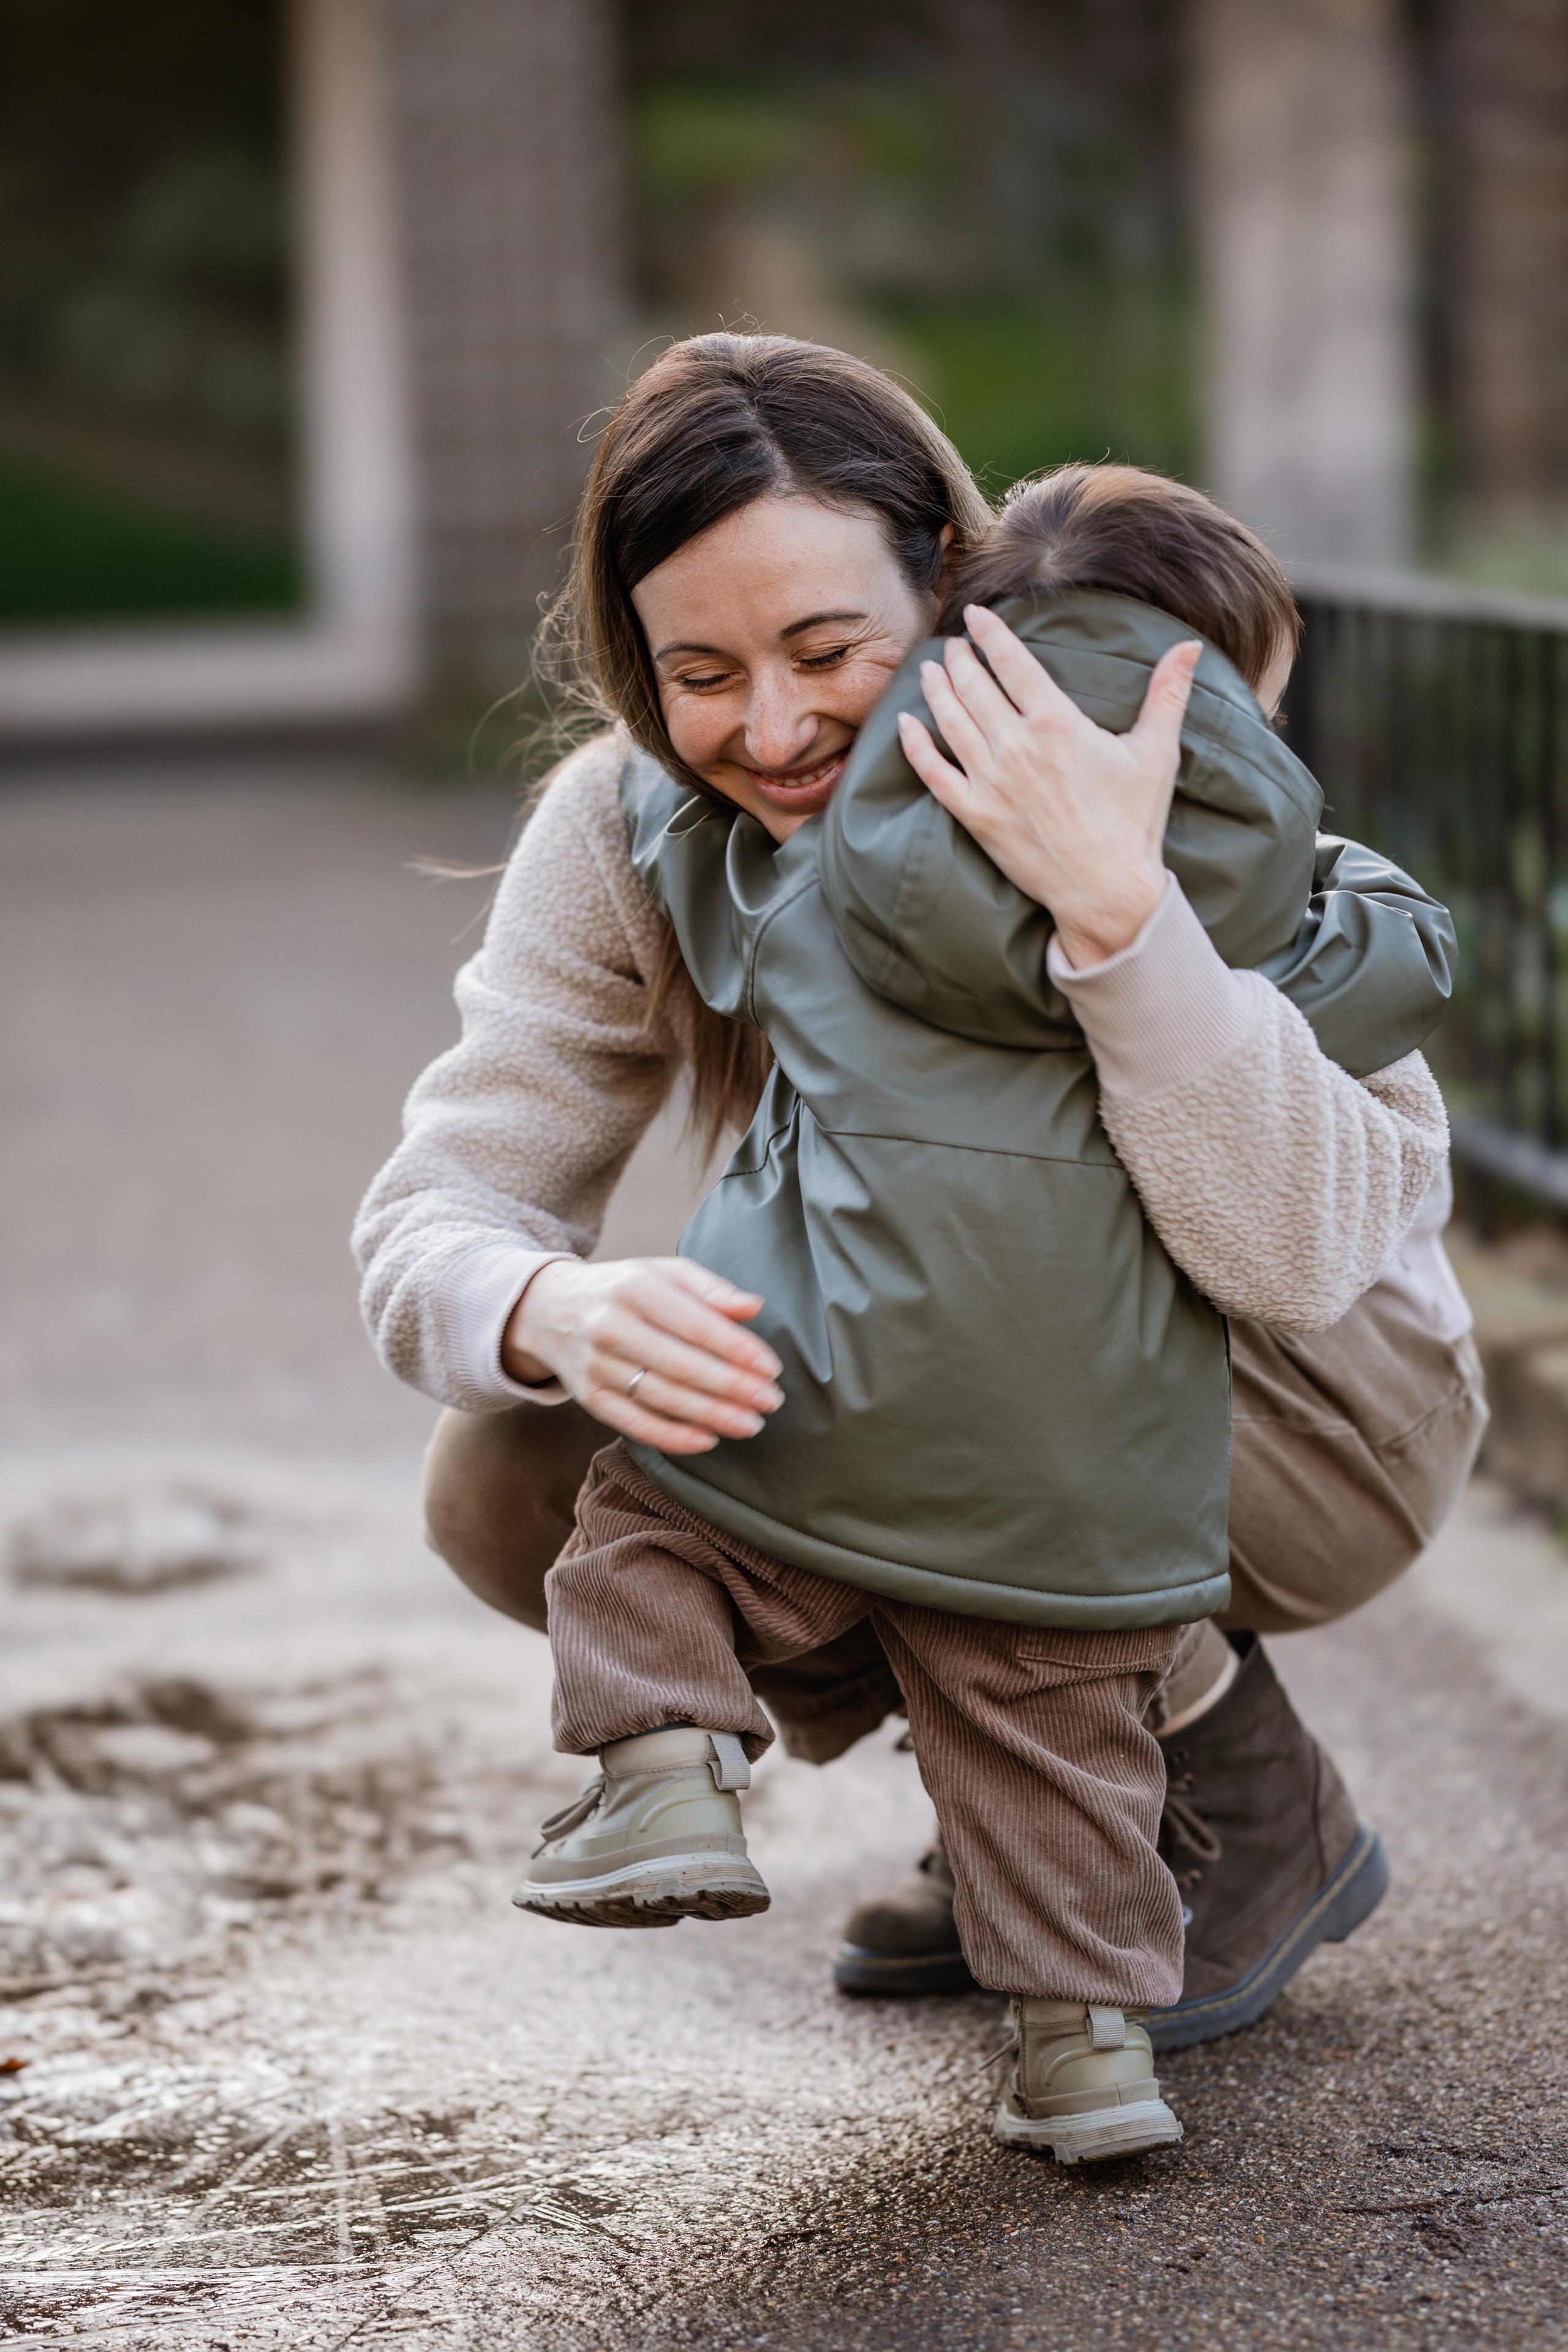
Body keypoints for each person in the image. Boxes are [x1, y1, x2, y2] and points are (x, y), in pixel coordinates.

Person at [354, 336, 1485, 2078]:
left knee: (957, 1362)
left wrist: (1121, 917)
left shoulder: (1154, 766)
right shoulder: (635, 827)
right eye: (701, 672)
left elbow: (1305, 1254)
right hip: (961, 1364)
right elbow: (445, 1202)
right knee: (517, 1469)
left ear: (957, 589)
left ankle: (1229, 1785)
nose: (777, 727)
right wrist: (545, 1309)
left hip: (1311, 1411)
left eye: (827, 649)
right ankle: (1028, 1805)